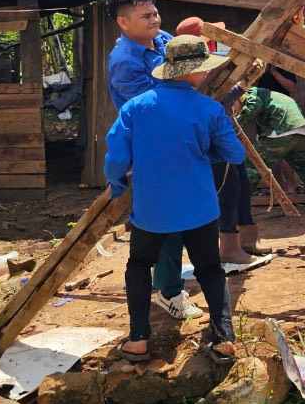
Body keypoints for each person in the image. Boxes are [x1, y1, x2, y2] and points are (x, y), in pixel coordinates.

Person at [105, 34, 244, 364]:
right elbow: (235, 154)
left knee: (139, 265)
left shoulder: (136, 107)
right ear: (196, 71)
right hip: (199, 207)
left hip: (151, 210)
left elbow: (115, 159)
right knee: (209, 268)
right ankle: (223, 339)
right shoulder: (209, 109)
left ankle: (138, 339)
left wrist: (117, 184)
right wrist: (205, 152)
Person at [105, 0, 202, 321]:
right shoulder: (124, 63)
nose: (154, 19)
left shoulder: (160, 39)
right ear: (123, 22)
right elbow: (155, 106)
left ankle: (168, 278)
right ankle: (169, 292)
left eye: (155, 13)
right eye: (145, 15)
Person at [174, 17, 258, 266]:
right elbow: (214, 102)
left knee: (240, 186)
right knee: (227, 190)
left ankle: (244, 240)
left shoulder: (209, 65)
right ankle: (229, 248)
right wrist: (242, 86)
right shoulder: (198, 72)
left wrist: (243, 85)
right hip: (213, 139)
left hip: (220, 133)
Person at [235, 85, 305, 207]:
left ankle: (237, 205)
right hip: (300, 132)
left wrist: (235, 122)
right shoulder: (273, 96)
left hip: (282, 131)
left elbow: (253, 106)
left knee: (253, 166)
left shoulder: (253, 94)